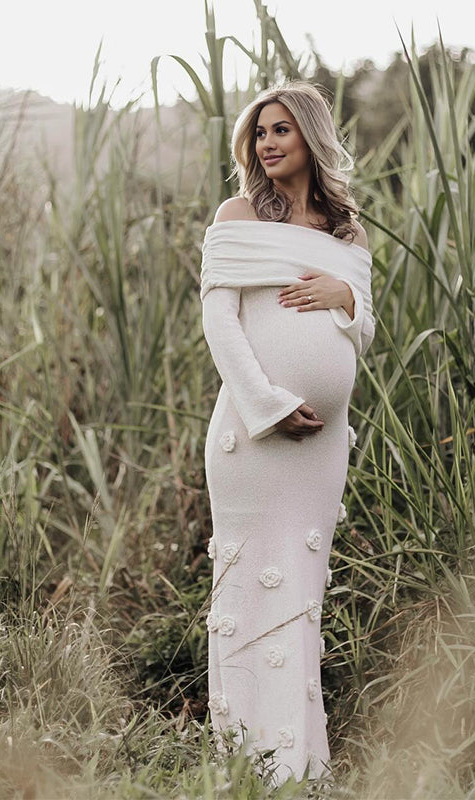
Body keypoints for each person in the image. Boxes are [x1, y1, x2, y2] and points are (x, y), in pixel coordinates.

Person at [199, 80, 375, 786]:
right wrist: (266, 402)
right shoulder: (238, 213)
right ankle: (243, 766)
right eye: (259, 133)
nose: (267, 144)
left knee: (302, 596)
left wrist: (347, 297)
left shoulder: (346, 231)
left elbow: (364, 331)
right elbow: (220, 322)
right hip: (253, 436)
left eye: (281, 131)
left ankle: (300, 767)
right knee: (246, 596)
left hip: (323, 451)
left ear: (310, 136)